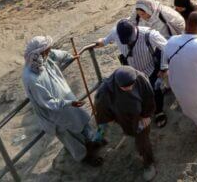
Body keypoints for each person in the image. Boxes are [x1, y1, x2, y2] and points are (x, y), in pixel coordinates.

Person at [22, 36, 102, 166]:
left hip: (68, 102)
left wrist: (70, 56)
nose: (50, 51)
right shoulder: (31, 79)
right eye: (47, 49)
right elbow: (48, 102)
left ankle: (91, 142)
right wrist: (69, 103)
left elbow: (57, 54)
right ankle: (85, 157)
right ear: (39, 52)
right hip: (56, 114)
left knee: (81, 121)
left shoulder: (43, 59)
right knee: (71, 137)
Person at [96, 19, 169, 127]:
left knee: (154, 90)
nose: (128, 42)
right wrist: (98, 43)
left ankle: (158, 111)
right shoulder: (115, 31)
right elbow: (105, 40)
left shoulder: (149, 35)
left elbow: (166, 47)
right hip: (132, 72)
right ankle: (143, 112)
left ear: (135, 28)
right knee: (135, 92)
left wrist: (163, 68)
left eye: (129, 39)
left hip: (149, 70)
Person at [94, 67, 157, 181]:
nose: (130, 88)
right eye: (125, 87)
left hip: (140, 115)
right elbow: (101, 108)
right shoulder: (105, 91)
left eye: (132, 85)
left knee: (143, 140)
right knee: (130, 131)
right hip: (122, 117)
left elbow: (149, 96)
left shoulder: (140, 78)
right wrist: (110, 119)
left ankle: (148, 163)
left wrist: (146, 115)